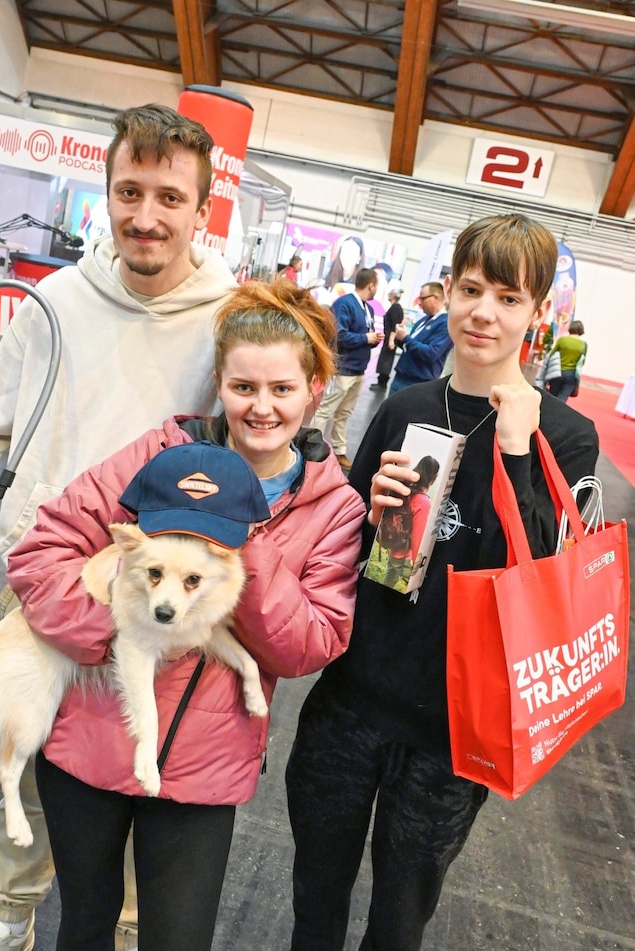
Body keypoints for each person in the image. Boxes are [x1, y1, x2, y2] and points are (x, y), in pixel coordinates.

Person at [0, 103, 238, 951]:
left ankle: (133, 927)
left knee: (141, 768)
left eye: (169, 197)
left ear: (202, 209)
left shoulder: (229, 322)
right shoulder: (56, 302)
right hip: (40, 580)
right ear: (104, 193)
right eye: (129, 190)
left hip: (155, 599)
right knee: (22, 758)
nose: (146, 214)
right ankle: (11, 908)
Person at [4, 279, 366, 951]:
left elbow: (312, 642)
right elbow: (41, 552)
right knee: (83, 923)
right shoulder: (158, 455)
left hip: (204, 769)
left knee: (176, 937)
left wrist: (244, 547)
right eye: (243, 387)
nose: (261, 408)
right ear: (219, 381)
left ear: (316, 387)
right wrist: (107, 630)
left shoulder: (332, 506)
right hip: (90, 738)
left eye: (282, 389)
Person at [285, 213, 599, 951]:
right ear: (449, 290)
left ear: (538, 311)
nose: (484, 311)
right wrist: (370, 507)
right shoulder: (405, 410)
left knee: (399, 924)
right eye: (471, 288)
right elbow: (339, 547)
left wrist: (518, 452)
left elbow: (544, 587)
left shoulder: (565, 436)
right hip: (352, 701)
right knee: (315, 902)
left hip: (454, 734)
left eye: (509, 297)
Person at [309, 267, 384, 472]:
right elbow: (339, 335)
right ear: (371, 285)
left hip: (358, 369)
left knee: (345, 413)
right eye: (376, 285)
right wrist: (365, 338)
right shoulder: (344, 304)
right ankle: (310, 448)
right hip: (343, 369)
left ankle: (339, 449)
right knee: (326, 410)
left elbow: (362, 335)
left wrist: (372, 340)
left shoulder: (366, 309)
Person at [379, 454, 439, 590]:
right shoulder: (423, 502)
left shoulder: (405, 490)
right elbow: (417, 539)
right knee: (416, 586)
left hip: (392, 547)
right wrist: (417, 568)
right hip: (404, 557)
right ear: (433, 478)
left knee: (388, 580)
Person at [389, 281, 452, 393]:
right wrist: (399, 337)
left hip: (418, 384)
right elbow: (408, 347)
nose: (419, 303)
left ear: (436, 298)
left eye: (423, 299)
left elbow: (431, 354)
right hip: (401, 377)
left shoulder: (445, 324)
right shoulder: (423, 321)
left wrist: (406, 338)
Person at [370, 281, 404, 392]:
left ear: (393, 296)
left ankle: (382, 383)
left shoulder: (395, 308)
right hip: (389, 337)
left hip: (391, 337)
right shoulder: (396, 307)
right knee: (384, 359)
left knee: (386, 360)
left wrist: (391, 341)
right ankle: (381, 381)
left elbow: (395, 326)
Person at [546, 319, 587, 402]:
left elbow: (551, 355)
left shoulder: (562, 340)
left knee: (551, 396)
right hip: (572, 375)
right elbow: (582, 362)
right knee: (563, 399)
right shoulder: (584, 345)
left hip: (557, 372)